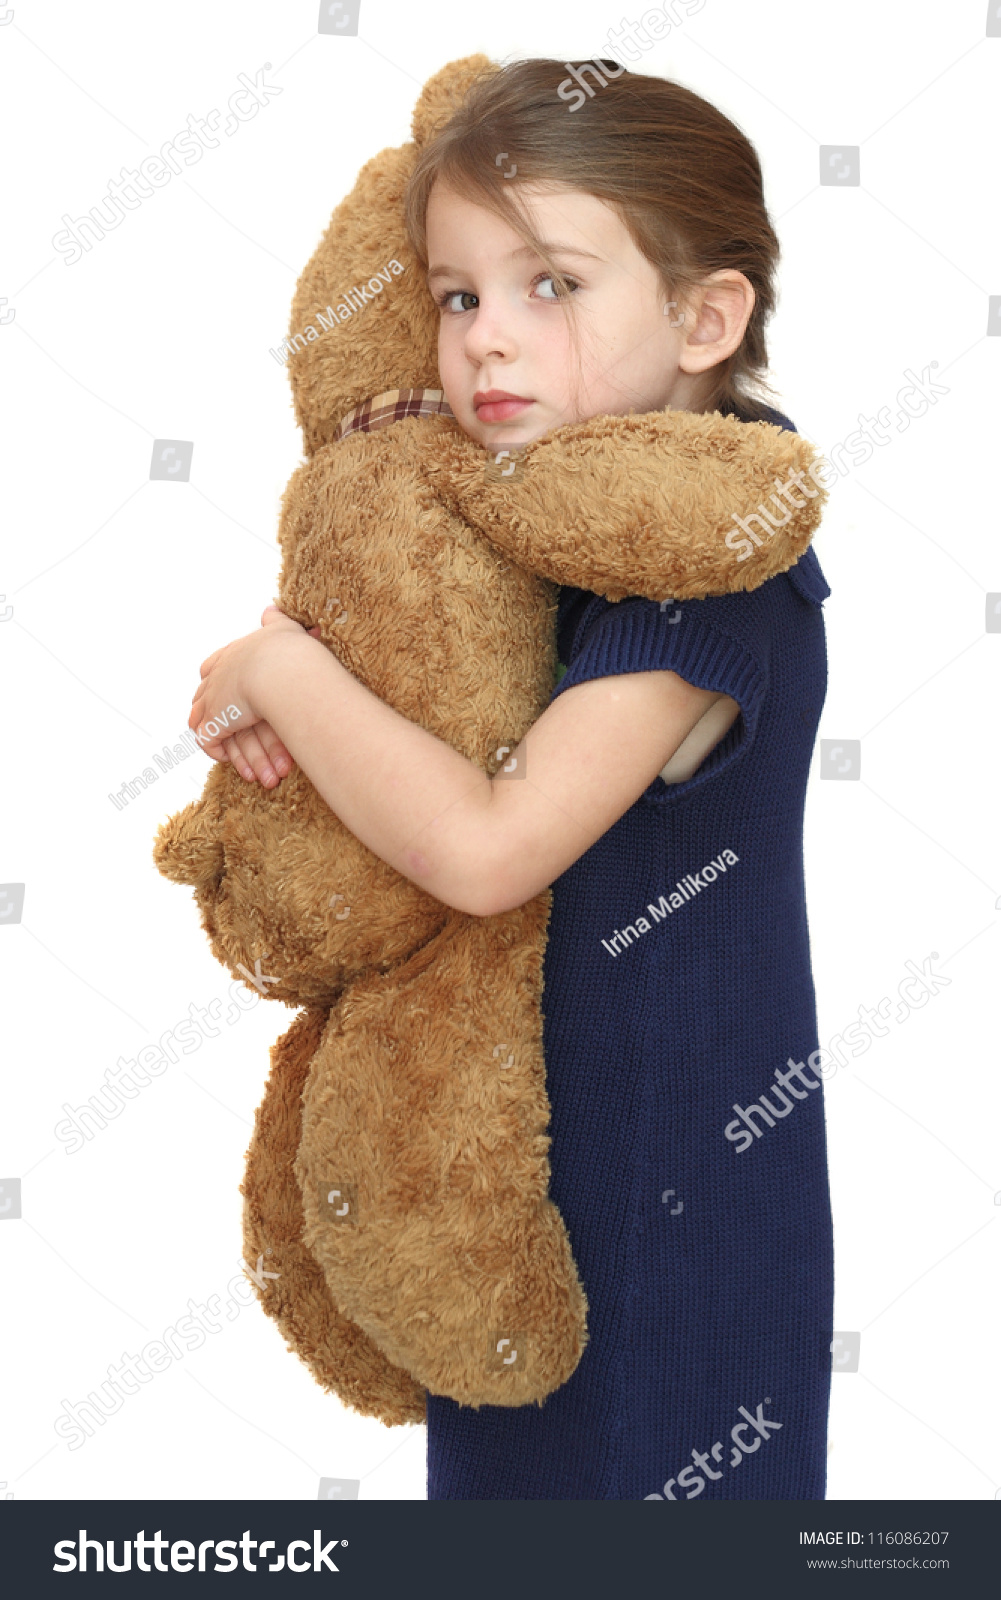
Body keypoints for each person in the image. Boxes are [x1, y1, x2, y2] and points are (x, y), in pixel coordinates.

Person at [188, 58, 834, 1501]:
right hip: (508, 1195)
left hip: (664, 1226)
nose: (485, 341)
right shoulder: (532, 550)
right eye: (458, 293)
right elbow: (415, 772)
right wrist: (307, 723)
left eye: (551, 286)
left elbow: (485, 848)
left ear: (702, 316)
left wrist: (288, 672)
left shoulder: (708, 580)